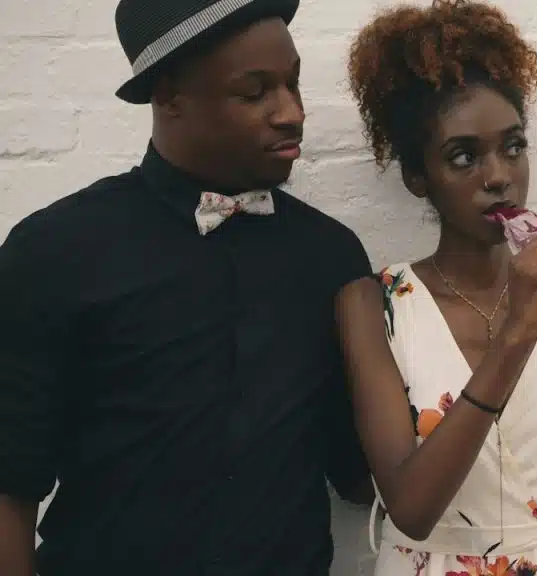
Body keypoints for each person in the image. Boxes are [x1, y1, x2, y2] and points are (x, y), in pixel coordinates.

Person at [0, 1, 373, 575]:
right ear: (168, 95)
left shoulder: (332, 258)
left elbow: (362, 473)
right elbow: (9, 481)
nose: (291, 112)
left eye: (293, 84)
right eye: (255, 93)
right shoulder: (54, 253)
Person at [336, 1, 537, 574]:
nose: (499, 175)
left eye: (513, 146)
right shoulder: (375, 307)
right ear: (417, 177)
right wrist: (518, 333)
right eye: (463, 156)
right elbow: (412, 508)